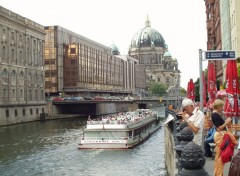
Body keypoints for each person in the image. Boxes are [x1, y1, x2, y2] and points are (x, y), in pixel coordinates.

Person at [211, 99, 238, 176]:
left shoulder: (216, 114)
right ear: (219, 106)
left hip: (221, 135)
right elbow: (218, 128)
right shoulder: (215, 115)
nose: (222, 108)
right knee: (220, 157)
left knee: (220, 157)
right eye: (222, 106)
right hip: (220, 136)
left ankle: (219, 174)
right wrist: (226, 122)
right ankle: (218, 174)